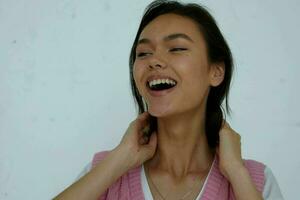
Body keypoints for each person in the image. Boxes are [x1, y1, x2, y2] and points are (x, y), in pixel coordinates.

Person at [53, 0, 284, 199]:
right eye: (143, 53)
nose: (154, 61)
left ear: (215, 72)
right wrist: (119, 160)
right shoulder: (103, 173)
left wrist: (236, 172)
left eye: (176, 48)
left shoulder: (255, 181)